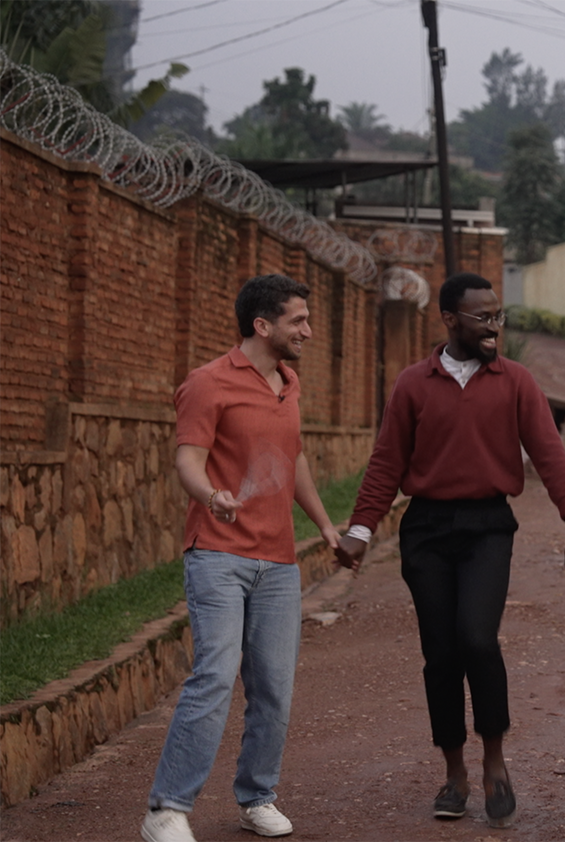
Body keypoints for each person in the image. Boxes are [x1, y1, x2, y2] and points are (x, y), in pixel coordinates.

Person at [337, 272, 565, 827]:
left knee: (477, 640)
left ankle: (495, 763)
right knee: (441, 653)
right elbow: (387, 461)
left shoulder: (516, 382)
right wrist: (361, 530)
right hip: (427, 529)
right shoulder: (414, 383)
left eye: (498, 315)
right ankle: (454, 774)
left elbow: (549, 454)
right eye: (482, 317)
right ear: (450, 320)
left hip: (487, 527)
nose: (494, 326)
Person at [142, 274, 349, 842]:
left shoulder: (289, 383)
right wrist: (212, 495)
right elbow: (188, 459)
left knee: (274, 686)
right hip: (217, 554)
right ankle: (166, 808)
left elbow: (293, 459)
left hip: (278, 561)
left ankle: (257, 797)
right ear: (263, 325)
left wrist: (327, 527)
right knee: (214, 675)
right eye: (298, 321)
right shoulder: (208, 383)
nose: (308, 330)